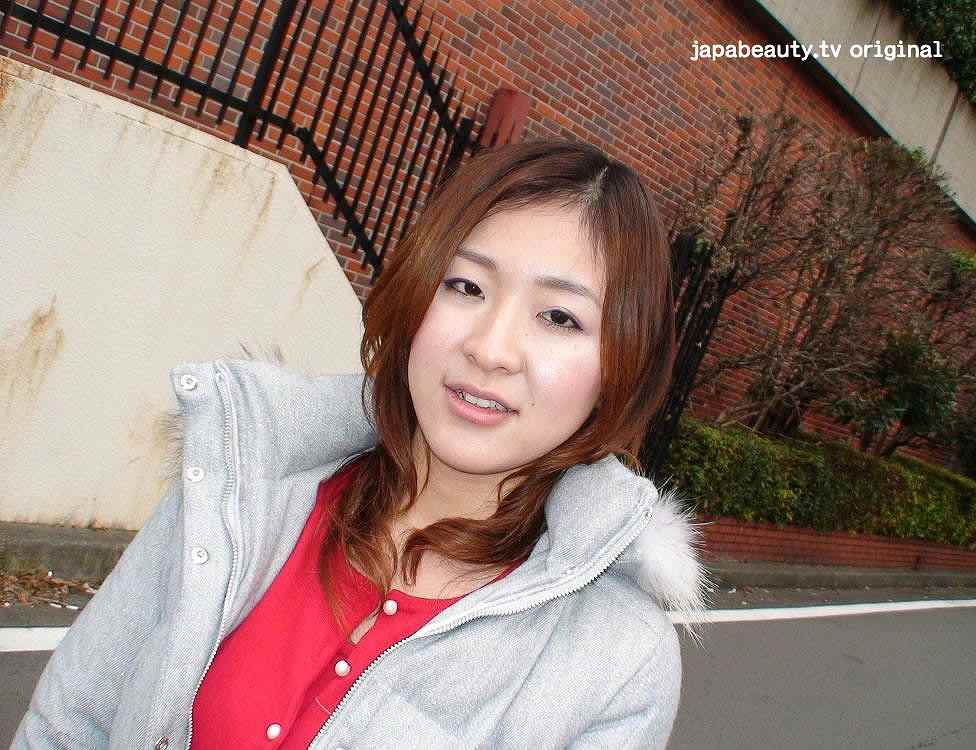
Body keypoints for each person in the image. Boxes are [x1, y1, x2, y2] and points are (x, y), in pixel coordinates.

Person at [13, 138, 710, 749]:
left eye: (558, 317)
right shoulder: (236, 491)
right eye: (466, 285)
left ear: (620, 366)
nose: (490, 348)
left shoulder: (617, 662)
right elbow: (69, 726)